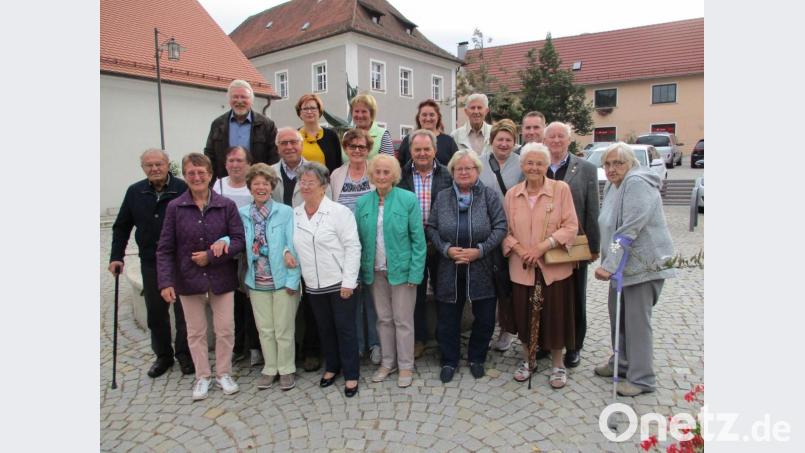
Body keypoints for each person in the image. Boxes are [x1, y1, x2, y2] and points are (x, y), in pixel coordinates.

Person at [157, 153, 245, 401]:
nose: (196, 177)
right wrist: (165, 281)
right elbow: (164, 248)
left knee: (225, 329)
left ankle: (224, 373)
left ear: (210, 175)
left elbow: (239, 240)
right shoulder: (175, 207)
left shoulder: (225, 205)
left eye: (201, 172)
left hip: (221, 278)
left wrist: (212, 255)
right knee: (195, 332)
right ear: (185, 176)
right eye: (191, 173)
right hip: (188, 280)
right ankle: (202, 376)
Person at [593, 142, 676, 396]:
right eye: (607, 164)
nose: (611, 168)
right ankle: (622, 362)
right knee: (618, 318)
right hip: (622, 269)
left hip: (643, 267)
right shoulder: (612, 185)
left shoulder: (637, 183)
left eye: (618, 163)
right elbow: (608, 223)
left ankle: (642, 379)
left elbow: (630, 229)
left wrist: (608, 264)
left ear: (631, 163)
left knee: (637, 324)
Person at [109, 148, 193, 378]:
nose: (155, 169)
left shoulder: (182, 189)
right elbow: (122, 226)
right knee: (156, 312)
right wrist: (116, 256)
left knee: (183, 310)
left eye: (159, 164)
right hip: (151, 259)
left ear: (168, 165)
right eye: (149, 165)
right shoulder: (135, 192)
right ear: (143, 168)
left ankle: (184, 354)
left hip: (180, 260)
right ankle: (163, 355)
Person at [501, 143, 579, 389]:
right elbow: (504, 230)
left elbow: (570, 226)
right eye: (529, 163)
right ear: (522, 166)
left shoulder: (560, 189)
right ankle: (528, 359)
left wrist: (542, 247)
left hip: (553, 268)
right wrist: (522, 250)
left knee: (556, 315)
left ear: (547, 166)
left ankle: (558, 364)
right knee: (523, 315)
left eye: (539, 163)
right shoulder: (512, 194)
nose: (534, 167)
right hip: (521, 266)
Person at [426, 150, 507, 383]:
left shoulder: (489, 196)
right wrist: (446, 249)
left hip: (482, 266)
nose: (463, 172)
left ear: (477, 171)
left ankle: (476, 358)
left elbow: (501, 227)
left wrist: (479, 250)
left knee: (484, 317)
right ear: (452, 172)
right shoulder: (442, 197)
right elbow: (431, 227)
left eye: (468, 168)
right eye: (458, 169)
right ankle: (449, 359)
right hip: (449, 268)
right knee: (447, 318)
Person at [355, 155, 426, 388]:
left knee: (403, 320)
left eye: (387, 172)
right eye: (378, 172)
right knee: (383, 319)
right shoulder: (364, 203)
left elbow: (418, 240)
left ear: (394, 175)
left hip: (403, 271)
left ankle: (405, 365)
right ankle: (388, 362)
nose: (382, 176)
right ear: (372, 175)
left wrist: (416, 273)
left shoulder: (407, 199)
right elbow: (357, 239)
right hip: (374, 270)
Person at [293, 162, 362, 397]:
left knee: (345, 329)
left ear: (323, 186)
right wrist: (286, 254)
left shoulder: (339, 212)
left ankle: (351, 373)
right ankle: (332, 366)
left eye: (310, 182)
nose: (305, 186)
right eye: (302, 182)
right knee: (325, 329)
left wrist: (348, 282)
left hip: (339, 282)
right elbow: (291, 244)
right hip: (313, 284)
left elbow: (353, 247)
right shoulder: (296, 214)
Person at [271, 127, 330, 372]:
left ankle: (312, 350)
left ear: (301, 144)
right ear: (277, 148)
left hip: (310, 241)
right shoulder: (270, 172)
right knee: (285, 299)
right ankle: (285, 352)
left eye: (293, 142)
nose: (289, 147)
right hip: (281, 246)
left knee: (312, 300)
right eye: (283, 143)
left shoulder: (315, 170)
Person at [543, 121, 600, 368]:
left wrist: (593, 246)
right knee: (547, 295)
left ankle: (574, 345)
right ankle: (546, 342)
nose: (556, 141)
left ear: (569, 140)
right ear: (545, 140)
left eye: (561, 136)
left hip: (574, 243)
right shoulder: (538, 164)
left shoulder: (585, 168)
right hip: (544, 243)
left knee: (576, 296)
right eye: (551, 137)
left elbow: (592, 208)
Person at [239, 163, 302, 391]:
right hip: (256, 280)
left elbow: (292, 246)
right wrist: (224, 241)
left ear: (272, 186)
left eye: (265, 183)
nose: (261, 187)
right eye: (256, 184)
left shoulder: (285, 212)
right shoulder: (243, 214)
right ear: (250, 187)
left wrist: (293, 279)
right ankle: (270, 367)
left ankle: (286, 369)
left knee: (284, 328)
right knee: (265, 329)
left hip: (282, 279)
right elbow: (236, 239)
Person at [397, 129, 453, 358]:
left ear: (435, 150)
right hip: (411, 246)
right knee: (415, 296)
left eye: (426, 149)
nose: (422, 153)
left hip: (440, 245)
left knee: (443, 293)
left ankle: (444, 339)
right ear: (410, 150)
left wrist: (435, 241)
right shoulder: (399, 176)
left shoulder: (448, 176)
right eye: (417, 149)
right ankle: (419, 339)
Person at [331, 128, 382, 364]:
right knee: (351, 297)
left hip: (371, 244)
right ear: (346, 149)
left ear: (368, 149)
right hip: (345, 248)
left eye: (362, 146)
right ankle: (358, 345)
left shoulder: (376, 173)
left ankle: (375, 343)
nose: (358, 150)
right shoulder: (336, 175)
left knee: (373, 297)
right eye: (353, 146)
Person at [477, 119, 523, 353]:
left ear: (514, 142)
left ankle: (506, 330)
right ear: (491, 141)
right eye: (499, 139)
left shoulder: (522, 163)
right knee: (489, 282)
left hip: (514, 232)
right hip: (486, 232)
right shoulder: (480, 163)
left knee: (508, 283)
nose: (504, 144)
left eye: (508, 140)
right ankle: (486, 328)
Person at [213, 146, 262, 368]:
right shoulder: (219, 185)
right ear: (225, 164)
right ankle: (236, 346)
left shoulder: (255, 185)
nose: (235, 165)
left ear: (249, 163)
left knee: (251, 299)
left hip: (251, 251)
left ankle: (254, 346)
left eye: (240, 160)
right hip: (226, 252)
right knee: (232, 302)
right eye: (231, 160)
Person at [204, 79, 278, 182]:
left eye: (244, 97)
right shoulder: (218, 124)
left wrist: (267, 182)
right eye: (235, 97)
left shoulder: (267, 125)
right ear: (229, 100)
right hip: (225, 183)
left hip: (257, 184)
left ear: (251, 100)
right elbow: (209, 155)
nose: (239, 101)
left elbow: (274, 157)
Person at [396, 99, 459, 167]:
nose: (428, 118)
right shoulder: (408, 140)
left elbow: (456, 166)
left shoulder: (449, 142)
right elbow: (400, 167)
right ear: (418, 118)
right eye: (424, 115)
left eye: (432, 115)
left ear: (438, 117)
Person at [296, 93, 342, 172]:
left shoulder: (331, 136)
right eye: (305, 109)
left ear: (319, 111)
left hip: (327, 183)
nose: (309, 111)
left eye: (313, 108)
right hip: (301, 183)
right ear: (300, 113)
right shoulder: (294, 136)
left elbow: (338, 164)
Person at [344, 93, 394, 162]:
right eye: (356, 111)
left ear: (372, 113)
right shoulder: (346, 135)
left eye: (364, 111)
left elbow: (389, 165)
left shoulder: (383, 135)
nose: (360, 115)